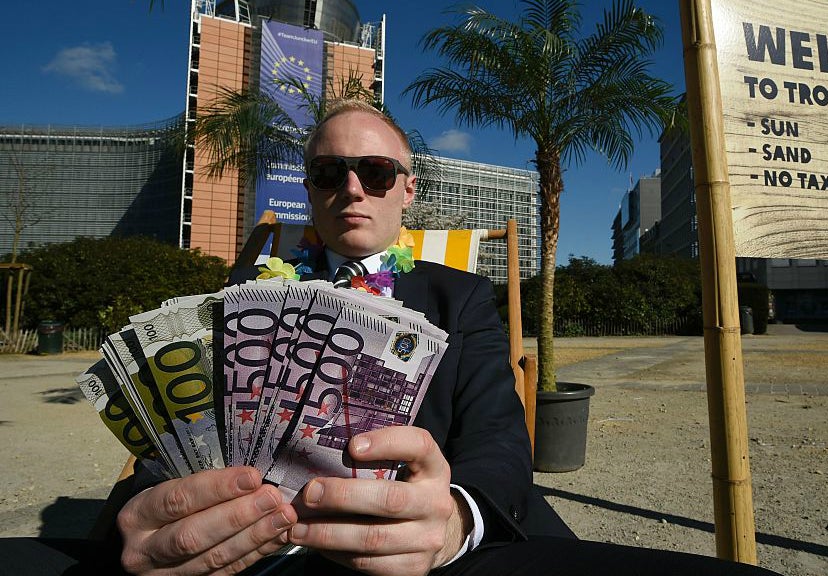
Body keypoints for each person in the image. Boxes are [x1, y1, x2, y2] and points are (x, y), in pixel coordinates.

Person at [4, 100, 784, 576]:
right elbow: (167, 438)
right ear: (308, 186)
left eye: (376, 173)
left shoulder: (457, 293)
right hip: (242, 555)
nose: (352, 188)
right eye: (329, 172)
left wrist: (451, 521)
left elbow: (501, 443)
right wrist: (144, 517)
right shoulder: (244, 290)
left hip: (423, 557)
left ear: (407, 190)